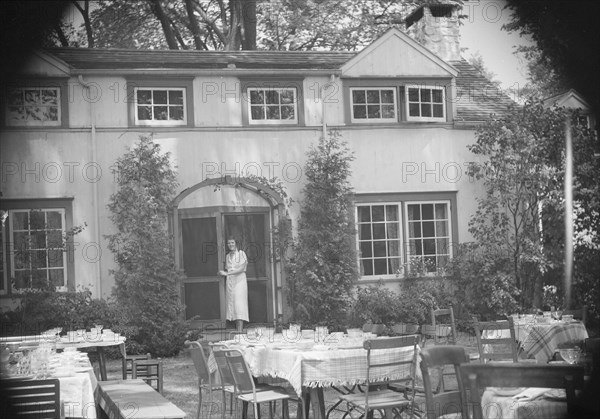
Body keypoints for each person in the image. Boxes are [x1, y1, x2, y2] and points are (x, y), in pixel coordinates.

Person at [218, 238, 249, 332]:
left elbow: (241, 269)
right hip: (230, 282)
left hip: (240, 281)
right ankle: (237, 331)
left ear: (236, 243)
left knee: (239, 304)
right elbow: (229, 268)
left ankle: (240, 331)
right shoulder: (227, 256)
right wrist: (223, 273)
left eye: (232, 242)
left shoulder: (241, 254)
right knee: (232, 304)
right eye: (228, 243)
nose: (230, 244)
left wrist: (227, 274)